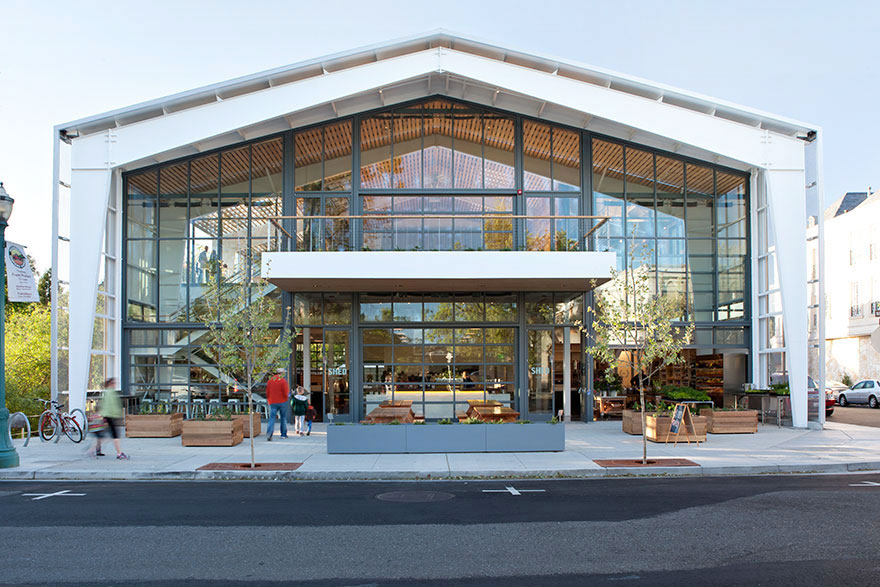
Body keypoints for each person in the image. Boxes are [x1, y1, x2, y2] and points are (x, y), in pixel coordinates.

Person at [90, 378, 129, 460]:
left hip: (107, 416)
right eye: (114, 383)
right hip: (111, 416)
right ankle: (119, 453)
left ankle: (93, 450)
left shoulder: (105, 392)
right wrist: (118, 415)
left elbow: (103, 404)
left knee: (104, 435)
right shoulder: (110, 393)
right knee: (115, 435)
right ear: (111, 384)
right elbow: (112, 405)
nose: (115, 385)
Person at [265, 368, 290, 441]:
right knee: (283, 418)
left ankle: (269, 434)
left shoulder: (270, 380)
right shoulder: (283, 381)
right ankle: (283, 434)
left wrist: (269, 399)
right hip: (282, 401)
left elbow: (267, 392)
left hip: (273, 401)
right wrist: (286, 397)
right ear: (281, 373)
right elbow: (286, 392)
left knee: (272, 418)